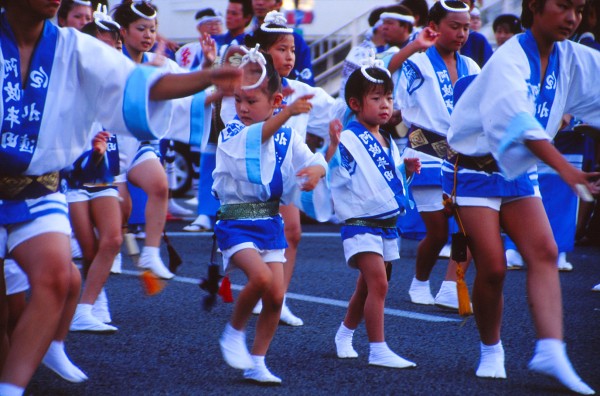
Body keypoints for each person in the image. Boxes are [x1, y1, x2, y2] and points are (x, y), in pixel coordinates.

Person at [0, 0, 241, 393]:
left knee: (60, 277)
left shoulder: (75, 47)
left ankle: (14, 386)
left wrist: (211, 77)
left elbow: (144, 86)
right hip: (72, 178)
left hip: (41, 186)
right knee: (6, 311)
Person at [444, 0, 599, 393]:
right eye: (563, 6)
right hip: (474, 168)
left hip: (516, 168)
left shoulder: (570, 57)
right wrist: (565, 168)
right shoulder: (508, 59)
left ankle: (551, 349)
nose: (572, 18)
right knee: (493, 267)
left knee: (544, 251)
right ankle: (491, 348)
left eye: (578, 10)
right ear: (534, 6)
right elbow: (516, 120)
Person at [214, 48, 327, 383]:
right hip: (236, 223)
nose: (243, 109)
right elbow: (256, 139)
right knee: (261, 279)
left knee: (276, 296)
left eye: (252, 102)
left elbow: (313, 159)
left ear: (273, 99)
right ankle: (234, 331)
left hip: (269, 224)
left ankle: (258, 360)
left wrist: (317, 172)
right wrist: (288, 112)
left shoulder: (287, 135)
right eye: (239, 101)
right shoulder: (232, 132)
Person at [222, 11, 336, 326]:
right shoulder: (243, 88)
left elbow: (337, 108)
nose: (289, 56)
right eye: (281, 49)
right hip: (246, 184)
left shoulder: (300, 90)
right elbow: (234, 128)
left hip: (283, 178)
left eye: (292, 50)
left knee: (293, 232)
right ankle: (261, 292)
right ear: (262, 52)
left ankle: (278, 297)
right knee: (256, 236)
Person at [330, 64, 420, 368]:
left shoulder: (388, 140)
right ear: (355, 104)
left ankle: (344, 334)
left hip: (385, 225)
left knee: (367, 287)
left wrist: (406, 173)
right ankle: (378, 349)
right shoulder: (348, 138)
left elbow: (386, 184)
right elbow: (338, 174)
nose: (385, 105)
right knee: (379, 283)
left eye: (389, 99)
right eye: (376, 98)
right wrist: (332, 147)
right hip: (360, 224)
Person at [391, 1, 480, 309]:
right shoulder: (417, 62)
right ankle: (419, 281)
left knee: (468, 228)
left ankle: (449, 285)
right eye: (454, 26)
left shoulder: (472, 66)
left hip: (461, 157)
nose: (461, 33)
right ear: (434, 26)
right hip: (426, 152)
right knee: (439, 230)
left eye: (466, 27)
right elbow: (390, 88)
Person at [250, 0, 315, 86]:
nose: (260, 3)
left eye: (292, 50)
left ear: (279, 4)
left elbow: (307, 85)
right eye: (282, 49)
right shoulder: (244, 40)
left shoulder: (295, 39)